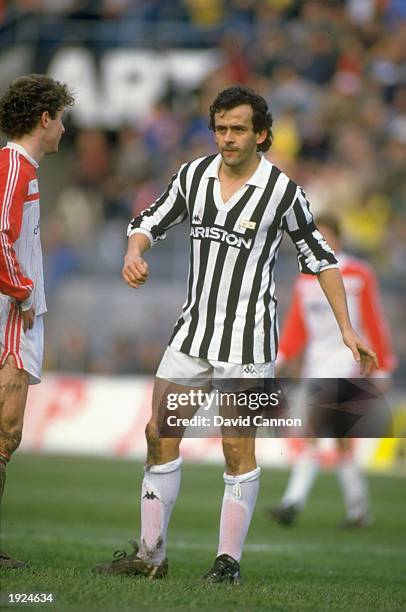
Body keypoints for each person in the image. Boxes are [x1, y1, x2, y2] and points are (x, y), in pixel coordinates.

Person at [93, 85, 377, 583]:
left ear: (261, 134)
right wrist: (134, 250)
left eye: (238, 129)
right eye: (221, 128)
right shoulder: (193, 177)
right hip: (192, 336)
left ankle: (228, 563)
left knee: (236, 449)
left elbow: (322, 259)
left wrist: (347, 329)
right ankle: (150, 557)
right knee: (159, 435)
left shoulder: (281, 191)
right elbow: (150, 220)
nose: (227, 138)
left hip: (247, 346)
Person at [268, 214, 396, 528]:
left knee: (312, 430)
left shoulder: (358, 273)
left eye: (325, 236)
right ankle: (359, 511)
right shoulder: (305, 279)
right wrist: (283, 354)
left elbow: (373, 321)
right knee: (340, 440)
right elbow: (298, 325)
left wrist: (384, 367)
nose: (319, 243)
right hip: (317, 364)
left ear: (338, 238)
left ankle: (292, 503)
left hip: (349, 364)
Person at [0, 74, 74, 568]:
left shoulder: (21, 168)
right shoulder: (13, 166)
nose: (64, 130)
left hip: (16, 314)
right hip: (9, 318)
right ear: (44, 119)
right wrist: (23, 292)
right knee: (5, 430)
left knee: (7, 433)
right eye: (61, 119)